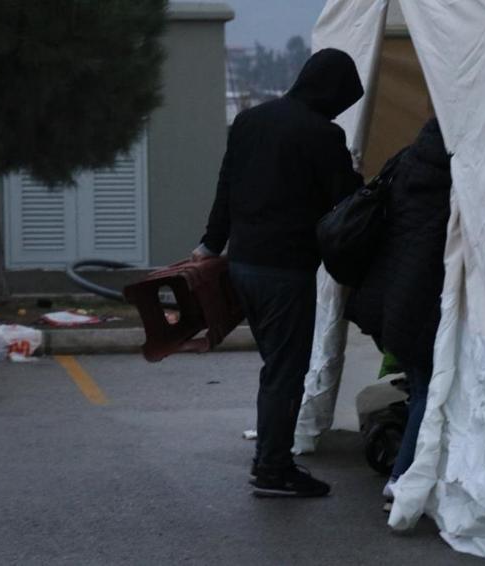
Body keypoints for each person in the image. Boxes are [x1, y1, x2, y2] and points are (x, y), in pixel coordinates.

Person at [192, 48, 364, 498]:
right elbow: (346, 203)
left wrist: (210, 245)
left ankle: (272, 459)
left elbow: (225, 187)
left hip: (242, 264)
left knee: (276, 369)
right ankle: (273, 469)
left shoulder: (249, 121)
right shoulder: (323, 136)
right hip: (285, 272)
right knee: (285, 374)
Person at [343, 118, 452, 505]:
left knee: (419, 385)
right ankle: (401, 480)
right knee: (426, 390)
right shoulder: (453, 183)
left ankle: (409, 470)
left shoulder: (405, 163)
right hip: (418, 305)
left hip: (384, 300)